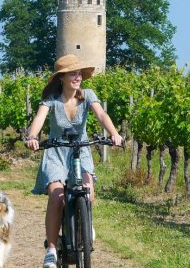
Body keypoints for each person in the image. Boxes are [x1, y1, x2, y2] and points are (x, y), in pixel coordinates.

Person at [25, 54, 123, 268]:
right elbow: (39, 118)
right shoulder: (52, 98)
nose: (77, 77)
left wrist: (114, 133)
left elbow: (101, 115)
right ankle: (51, 249)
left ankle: (86, 224)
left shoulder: (87, 95)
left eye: (79, 73)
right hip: (56, 151)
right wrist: (32, 137)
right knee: (57, 197)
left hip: (81, 150)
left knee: (88, 192)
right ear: (61, 77)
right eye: (72, 73)